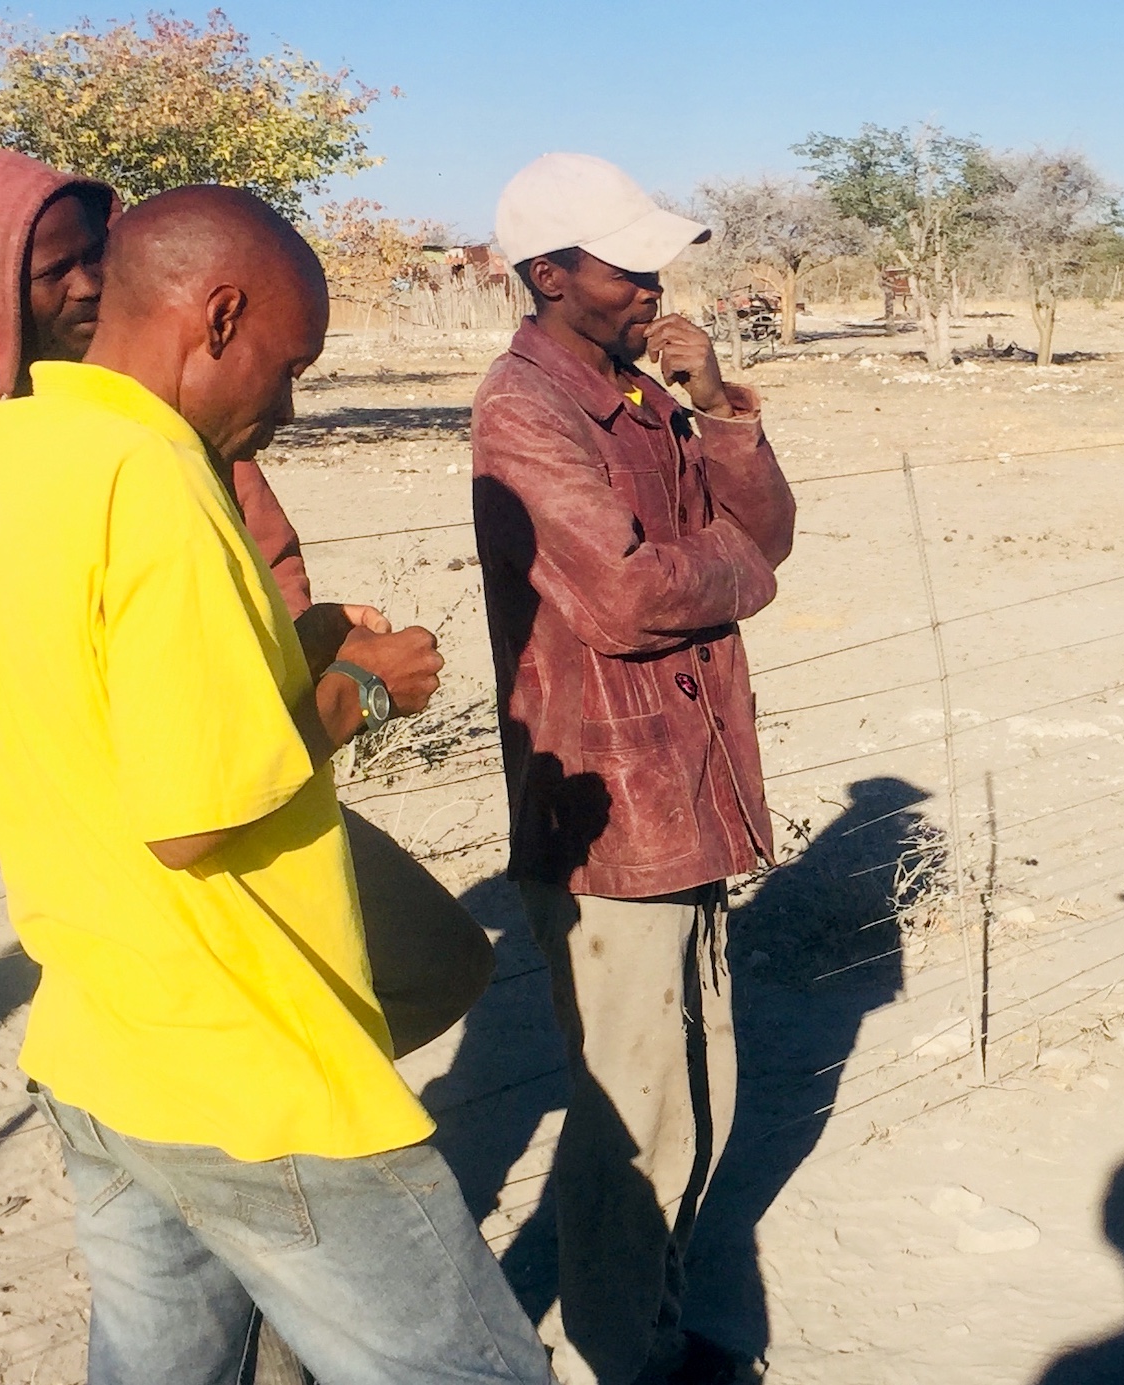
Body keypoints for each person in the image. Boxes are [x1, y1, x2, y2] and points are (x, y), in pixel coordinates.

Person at [0, 185, 551, 1385]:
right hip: (245, 1063)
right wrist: (364, 696)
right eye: (289, 359)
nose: (291, 399)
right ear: (217, 316)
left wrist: (300, 640)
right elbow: (192, 811)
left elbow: (91, 693)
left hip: (102, 1038)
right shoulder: (155, 476)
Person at [0, 143, 491, 1064]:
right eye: (50, 269)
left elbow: (265, 551)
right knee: (266, 1018)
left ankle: (226, 1123)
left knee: (430, 962)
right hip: (106, 813)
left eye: (97, 257)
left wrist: (297, 653)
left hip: (241, 762)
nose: (85, 286)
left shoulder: (157, 397)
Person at [468, 152, 795, 1385]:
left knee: (696, 1087)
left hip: (688, 786)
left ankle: (645, 1327)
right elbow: (626, 592)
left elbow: (759, 526)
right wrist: (738, 575)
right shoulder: (526, 409)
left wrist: (717, 403)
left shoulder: (644, 395)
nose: (650, 285)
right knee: (639, 1113)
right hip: (609, 809)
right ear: (548, 275)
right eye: (622, 265)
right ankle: (626, 1356)